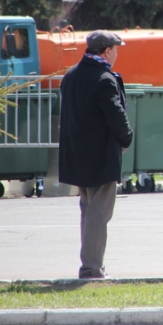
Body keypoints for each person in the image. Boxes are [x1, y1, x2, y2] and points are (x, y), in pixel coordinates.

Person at [59, 30, 134, 279]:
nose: (118, 54)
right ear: (107, 51)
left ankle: (91, 264)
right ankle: (91, 268)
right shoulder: (103, 78)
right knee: (98, 214)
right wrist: (126, 139)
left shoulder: (71, 76)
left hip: (77, 155)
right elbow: (116, 116)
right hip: (100, 156)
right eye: (117, 49)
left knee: (88, 210)